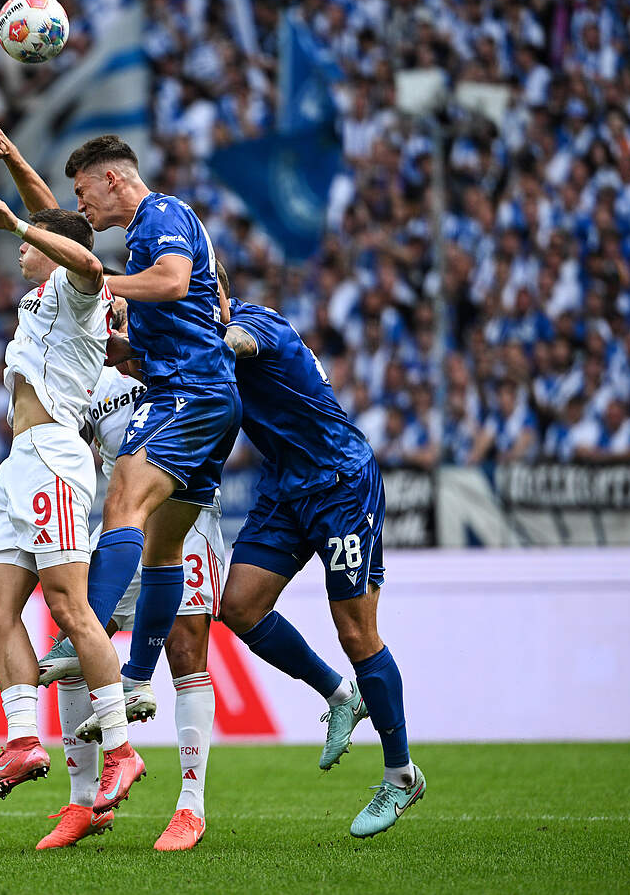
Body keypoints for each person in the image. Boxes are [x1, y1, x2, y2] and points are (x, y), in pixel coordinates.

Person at [0, 121, 144, 815]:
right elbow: (57, 220)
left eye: (29, 241)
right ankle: (21, 740)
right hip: (19, 464)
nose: (20, 246)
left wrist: (20, 224)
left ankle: (120, 749)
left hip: (57, 457)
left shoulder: (79, 291)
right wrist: (13, 159)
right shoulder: (43, 289)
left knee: (68, 607)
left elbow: (86, 257)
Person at [36, 134, 240, 748]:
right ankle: (137, 676)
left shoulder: (161, 214)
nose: (82, 206)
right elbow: (182, 312)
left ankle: (84, 633)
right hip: (207, 394)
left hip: (187, 393)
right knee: (164, 546)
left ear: (113, 179)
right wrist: (121, 348)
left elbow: (173, 282)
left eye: (83, 192)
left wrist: (103, 284)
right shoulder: (150, 229)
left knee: (122, 503)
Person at [214, 268, 425, 838]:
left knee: (357, 633)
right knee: (239, 606)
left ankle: (401, 775)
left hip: (339, 483)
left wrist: (200, 339)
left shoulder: (258, 324)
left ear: (216, 291)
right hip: (285, 487)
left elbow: (239, 343)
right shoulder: (203, 334)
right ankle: (338, 695)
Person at [40, 316, 225, 852]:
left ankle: (190, 808)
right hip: (121, 527)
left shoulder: (185, 352)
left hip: (186, 521)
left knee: (186, 652)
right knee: (78, 645)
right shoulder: (91, 373)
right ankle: (83, 804)